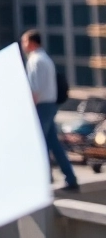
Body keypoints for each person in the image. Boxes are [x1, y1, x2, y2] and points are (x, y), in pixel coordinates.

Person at [21, 29, 80, 192]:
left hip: (42, 106)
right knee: (52, 143)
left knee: (39, 143)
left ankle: (45, 179)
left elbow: (35, 89)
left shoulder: (35, 61)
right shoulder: (45, 59)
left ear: (32, 43)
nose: (23, 45)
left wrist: (29, 108)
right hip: (50, 104)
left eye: (24, 42)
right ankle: (69, 177)